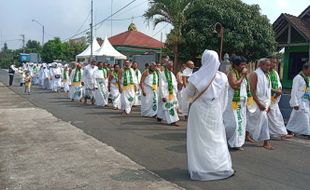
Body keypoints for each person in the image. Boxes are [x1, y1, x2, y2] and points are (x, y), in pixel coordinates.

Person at [185, 49, 234, 181]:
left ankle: (200, 167)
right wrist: (220, 110)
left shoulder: (196, 77)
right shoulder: (223, 77)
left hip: (198, 111)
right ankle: (219, 166)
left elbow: (187, 95)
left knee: (199, 139)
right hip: (215, 110)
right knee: (216, 137)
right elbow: (224, 98)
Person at [223, 56, 252, 151]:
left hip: (242, 102)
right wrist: (243, 76)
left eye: (245, 64)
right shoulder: (232, 73)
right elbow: (235, 85)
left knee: (241, 123)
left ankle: (236, 143)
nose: (244, 67)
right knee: (233, 123)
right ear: (235, 65)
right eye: (242, 65)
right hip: (234, 102)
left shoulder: (243, 74)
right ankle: (225, 139)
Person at [247, 58, 273, 150]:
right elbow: (252, 90)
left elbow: (268, 91)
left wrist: (268, 104)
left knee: (257, 121)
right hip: (256, 101)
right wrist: (259, 103)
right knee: (261, 120)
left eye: (269, 65)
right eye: (267, 65)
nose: (269, 67)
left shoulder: (267, 75)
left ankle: (247, 135)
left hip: (265, 102)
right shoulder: (255, 74)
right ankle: (266, 141)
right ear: (261, 65)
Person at [267, 56, 293, 140]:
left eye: (275, 63)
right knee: (270, 118)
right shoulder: (264, 73)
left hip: (274, 99)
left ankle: (281, 133)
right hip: (266, 99)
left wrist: (279, 90)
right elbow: (263, 86)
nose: (274, 64)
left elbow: (278, 84)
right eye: (272, 62)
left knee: (276, 117)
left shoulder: (275, 73)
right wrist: (275, 91)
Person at [286, 63, 310, 139]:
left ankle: (289, 129)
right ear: (305, 69)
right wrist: (294, 103)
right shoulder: (298, 78)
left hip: (306, 101)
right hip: (299, 101)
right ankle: (308, 133)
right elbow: (294, 91)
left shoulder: (308, 78)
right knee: (305, 118)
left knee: (295, 117)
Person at [157, 61, 180, 126]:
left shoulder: (172, 74)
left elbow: (175, 83)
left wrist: (175, 92)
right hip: (165, 93)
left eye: (172, 66)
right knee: (169, 106)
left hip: (171, 92)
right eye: (170, 66)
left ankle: (159, 116)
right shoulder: (162, 74)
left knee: (164, 105)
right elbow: (161, 85)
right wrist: (163, 96)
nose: (171, 67)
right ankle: (173, 121)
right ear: (166, 66)